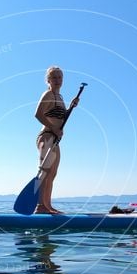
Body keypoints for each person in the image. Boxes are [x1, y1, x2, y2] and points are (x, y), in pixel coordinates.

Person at [33, 66, 79, 214]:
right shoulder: (48, 94)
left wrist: (71, 107)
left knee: (52, 173)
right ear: (48, 80)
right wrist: (53, 129)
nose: (57, 80)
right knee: (45, 170)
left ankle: (47, 205)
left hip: (55, 139)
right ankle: (40, 206)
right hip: (46, 136)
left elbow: (60, 117)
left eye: (60, 77)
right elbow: (38, 114)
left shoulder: (60, 97)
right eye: (54, 77)